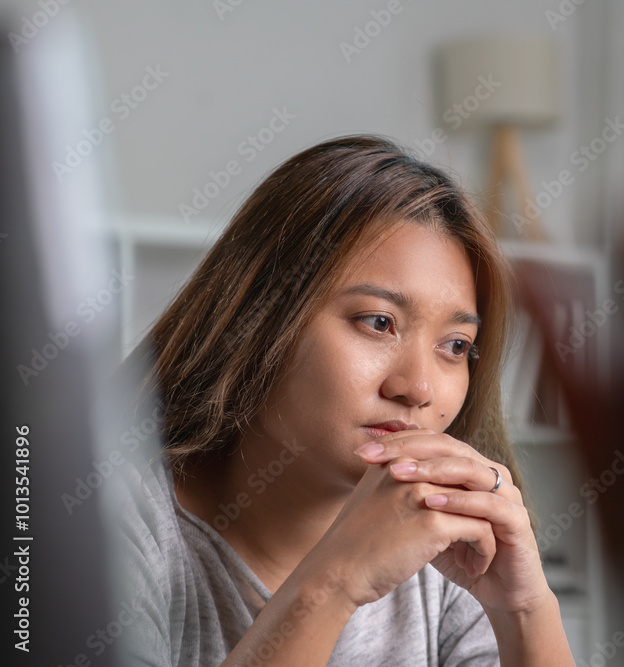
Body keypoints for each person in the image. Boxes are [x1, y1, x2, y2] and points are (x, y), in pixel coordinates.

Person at [115, 135, 575, 665]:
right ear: (259, 319)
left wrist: (525, 609)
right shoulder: (113, 522)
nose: (418, 389)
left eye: (455, 346)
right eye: (379, 323)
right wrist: (334, 582)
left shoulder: (449, 559)